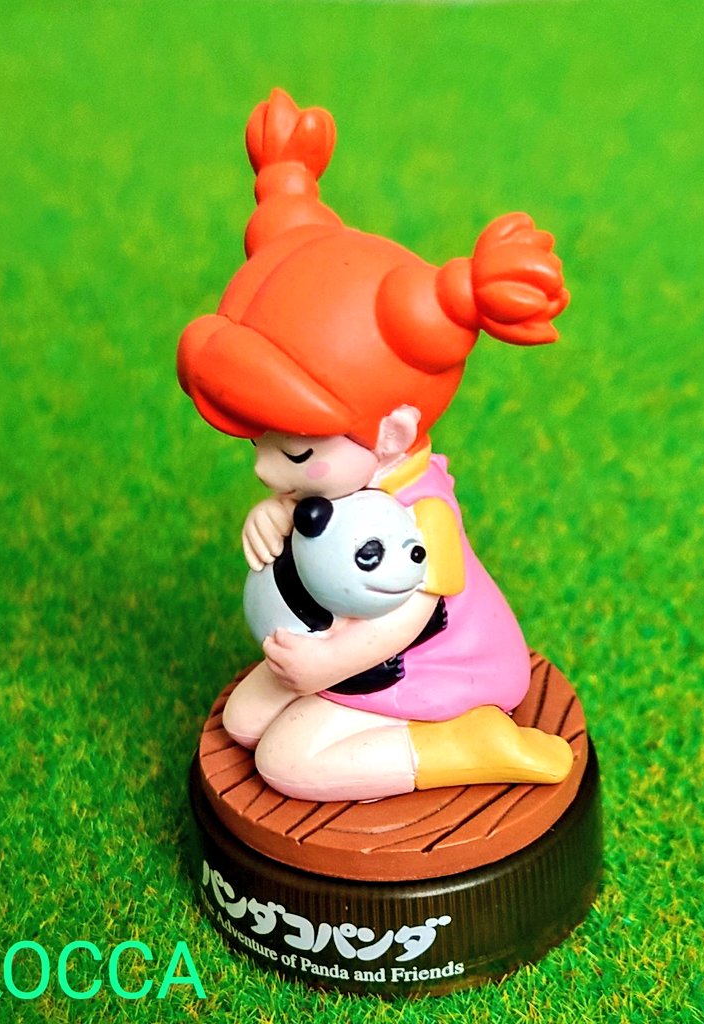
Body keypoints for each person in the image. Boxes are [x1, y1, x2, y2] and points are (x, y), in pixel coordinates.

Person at [177, 89, 573, 801]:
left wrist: (326, 666)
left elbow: (409, 616)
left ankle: (463, 745)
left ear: (391, 433)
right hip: (336, 644)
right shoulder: (347, 475)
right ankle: (342, 706)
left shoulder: (423, 511)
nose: (266, 467)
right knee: (242, 722)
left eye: (295, 454)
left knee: (286, 762)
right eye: (260, 442)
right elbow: (310, 512)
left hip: (428, 665)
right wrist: (276, 511)